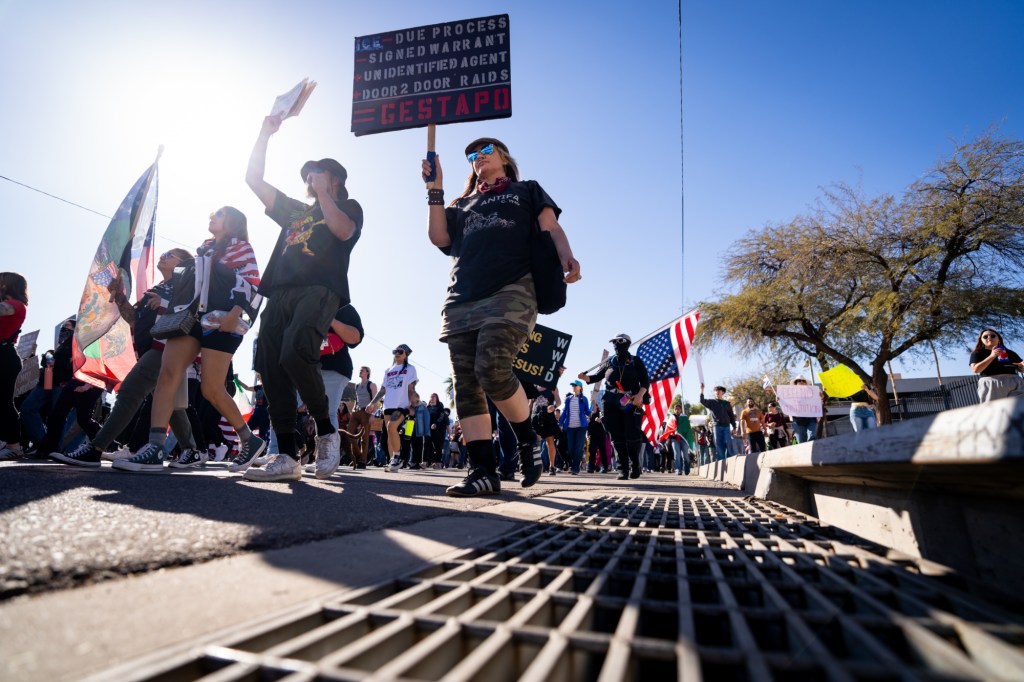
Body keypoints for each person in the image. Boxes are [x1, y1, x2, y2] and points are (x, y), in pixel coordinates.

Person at [422, 137, 581, 496]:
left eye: (486, 151)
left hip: (512, 289)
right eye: (472, 155)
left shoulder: (527, 190)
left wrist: (566, 256)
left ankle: (527, 440)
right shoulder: (463, 203)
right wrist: (435, 189)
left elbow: (551, 227)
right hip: (462, 298)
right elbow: (438, 236)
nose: (478, 157)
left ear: (504, 158)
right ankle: (482, 471)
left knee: (492, 367)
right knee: (466, 383)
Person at [245, 113, 363, 482]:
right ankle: (287, 453)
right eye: (308, 175)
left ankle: (326, 431)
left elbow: (343, 232)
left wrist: (325, 193)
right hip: (280, 290)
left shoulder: (349, 207)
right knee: (270, 363)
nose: (309, 179)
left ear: (334, 178)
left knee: (296, 350)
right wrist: (264, 134)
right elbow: (253, 179)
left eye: (316, 173)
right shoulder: (296, 211)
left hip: (320, 288)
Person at [113, 207, 262, 473]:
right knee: (167, 374)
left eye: (219, 214)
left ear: (233, 222)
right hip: (190, 317)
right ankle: (155, 447)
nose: (212, 216)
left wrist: (235, 313)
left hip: (221, 319)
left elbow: (251, 282)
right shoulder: (204, 249)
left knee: (211, 389)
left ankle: (249, 440)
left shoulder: (241, 248)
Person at [51, 249, 204, 468]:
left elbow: (192, 308)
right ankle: (191, 450)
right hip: (148, 348)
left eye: (170, 255)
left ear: (183, 263)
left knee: (130, 392)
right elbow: (133, 319)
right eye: (164, 253)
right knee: (170, 403)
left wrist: (164, 302)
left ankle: (96, 448)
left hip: (165, 347)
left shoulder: (185, 282)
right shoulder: (157, 288)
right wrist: (121, 298)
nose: (164, 256)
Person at [579, 334, 650, 480]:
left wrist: (640, 395)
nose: (616, 345)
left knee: (631, 434)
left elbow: (645, 381)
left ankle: (635, 463)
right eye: (614, 342)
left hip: (630, 400)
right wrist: (585, 377)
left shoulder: (635, 361)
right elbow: (595, 377)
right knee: (616, 436)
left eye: (620, 342)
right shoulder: (609, 362)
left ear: (627, 343)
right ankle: (622, 469)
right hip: (610, 401)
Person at [318, 303, 364, 471]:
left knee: (327, 412)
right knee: (286, 408)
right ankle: (279, 453)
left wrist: (330, 319)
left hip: (334, 368)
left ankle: (327, 457)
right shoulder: (302, 302)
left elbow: (355, 338)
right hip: (305, 365)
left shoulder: (343, 307)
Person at [366, 344, 418, 472]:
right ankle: (392, 462)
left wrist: (413, 405)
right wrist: (372, 403)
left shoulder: (410, 368)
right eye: (395, 351)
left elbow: (411, 388)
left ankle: (397, 458)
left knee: (392, 426)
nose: (397, 353)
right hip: (388, 405)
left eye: (400, 351)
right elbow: (383, 390)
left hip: (401, 405)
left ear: (406, 354)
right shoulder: (388, 370)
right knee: (390, 433)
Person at [0, 272, 28, 460]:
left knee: (4, 402)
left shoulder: (17, 305)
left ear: (6, 285)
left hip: (5, 357)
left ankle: (14, 445)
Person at [970, 329, 1024, 402]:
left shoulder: (1010, 353)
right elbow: (975, 369)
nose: (989, 338)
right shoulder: (977, 353)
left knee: (1019, 406)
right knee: (995, 408)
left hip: (1015, 382)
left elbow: (1021, 369)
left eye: (993, 336)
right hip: (992, 384)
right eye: (985, 337)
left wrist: (1022, 366)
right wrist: (992, 356)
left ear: (998, 339)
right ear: (981, 340)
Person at [346, 366, 377, 469]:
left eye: (362, 370)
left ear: (367, 372)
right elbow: (357, 399)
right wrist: (353, 409)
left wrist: (373, 414)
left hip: (366, 412)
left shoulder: (371, 385)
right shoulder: (357, 385)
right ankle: (358, 455)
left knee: (365, 438)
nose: (360, 371)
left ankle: (362, 461)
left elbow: (376, 400)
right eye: (360, 370)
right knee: (349, 434)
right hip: (356, 411)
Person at [558, 379, 590, 474]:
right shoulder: (568, 399)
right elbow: (564, 412)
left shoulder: (584, 399)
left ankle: (575, 468)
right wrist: (560, 423)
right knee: (570, 448)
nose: (573, 387)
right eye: (573, 386)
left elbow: (587, 411)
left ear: (580, 387)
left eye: (575, 385)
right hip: (570, 427)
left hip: (581, 427)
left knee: (578, 448)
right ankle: (573, 464)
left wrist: (591, 413)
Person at [700, 384, 736, 461]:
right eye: (716, 391)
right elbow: (702, 401)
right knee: (719, 443)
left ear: (723, 392)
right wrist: (702, 390)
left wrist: (734, 427)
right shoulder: (712, 402)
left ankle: (730, 459)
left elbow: (731, 416)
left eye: (719, 391)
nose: (717, 392)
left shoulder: (727, 404)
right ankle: (721, 460)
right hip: (717, 426)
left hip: (726, 426)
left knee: (728, 442)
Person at [659, 403, 692, 475]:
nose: (677, 410)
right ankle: (678, 470)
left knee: (685, 455)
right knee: (677, 454)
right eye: (675, 409)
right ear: (673, 410)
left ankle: (687, 468)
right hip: (674, 439)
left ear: (681, 410)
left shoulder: (685, 418)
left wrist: (680, 429)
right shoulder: (671, 418)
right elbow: (668, 429)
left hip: (683, 439)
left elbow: (687, 428)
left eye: (678, 409)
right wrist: (667, 440)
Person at [790, 378, 819, 443]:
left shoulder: (812, 393)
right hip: (798, 419)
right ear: (795, 383)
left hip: (811, 417)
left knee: (812, 437)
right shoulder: (790, 394)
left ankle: (814, 448)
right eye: (799, 381)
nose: (801, 382)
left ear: (806, 383)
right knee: (801, 440)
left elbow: (818, 402)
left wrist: (821, 397)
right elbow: (786, 403)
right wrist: (779, 399)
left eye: (803, 381)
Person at [586, 407, 610, 473]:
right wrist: (587, 432)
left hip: (601, 435)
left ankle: (605, 467)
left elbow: (607, 423)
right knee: (592, 452)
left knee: (603, 452)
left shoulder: (601, 412)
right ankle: (591, 467)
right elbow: (587, 424)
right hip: (592, 435)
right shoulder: (589, 412)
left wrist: (601, 421)